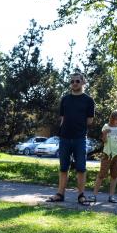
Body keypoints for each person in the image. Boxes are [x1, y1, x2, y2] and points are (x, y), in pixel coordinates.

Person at [47, 72, 95, 205]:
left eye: (77, 81)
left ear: (83, 83)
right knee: (63, 167)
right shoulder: (65, 99)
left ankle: (81, 195)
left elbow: (89, 121)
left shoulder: (89, 100)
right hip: (64, 138)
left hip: (80, 138)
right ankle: (60, 194)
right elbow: (62, 118)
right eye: (72, 81)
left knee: (81, 167)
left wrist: (77, 125)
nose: (74, 83)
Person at [90, 110, 117, 203]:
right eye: (116, 119)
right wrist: (105, 133)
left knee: (114, 176)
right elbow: (104, 141)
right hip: (107, 154)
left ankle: (111, 196)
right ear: (112, 119)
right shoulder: (106, 126)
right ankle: (94, 195)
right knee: (101, 175)